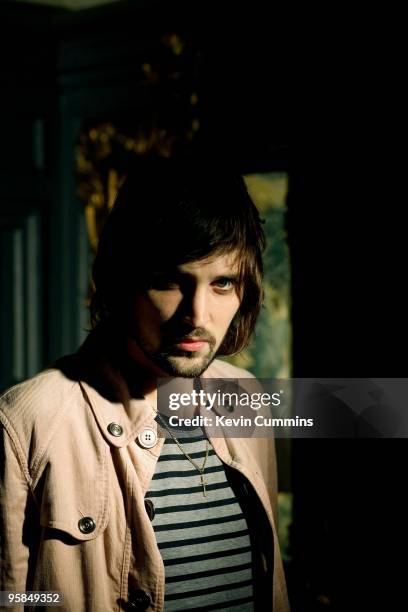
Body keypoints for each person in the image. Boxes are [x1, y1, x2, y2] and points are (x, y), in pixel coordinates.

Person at [0, 158, 289, 611]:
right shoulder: (28, 421)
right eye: (168, 282)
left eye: (222, 283)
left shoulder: (247, 398)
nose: (196, 316)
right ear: (121, 280)